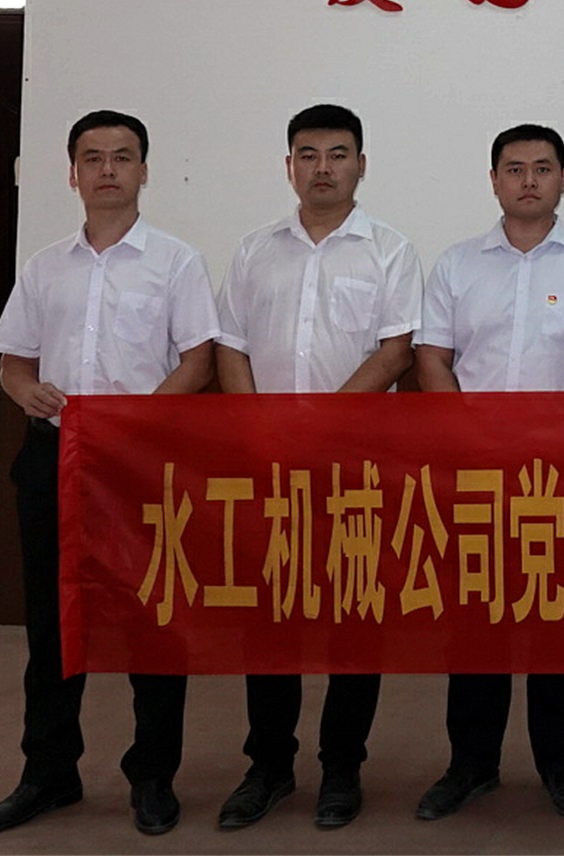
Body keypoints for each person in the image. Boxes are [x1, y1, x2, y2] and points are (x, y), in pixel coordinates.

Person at [0, 111, 220, 839]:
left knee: (153, 621)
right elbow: (15, 361)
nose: (108, 169)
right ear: (72, 173)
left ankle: (153, 776)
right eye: (93, 157)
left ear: (144, 170)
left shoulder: (176, 262)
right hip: (57, 458)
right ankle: (48, 772)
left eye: (122, 156)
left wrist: (135, 421)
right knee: (53, 621)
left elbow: (198, 361)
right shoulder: (46, 265)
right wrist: (25, 391)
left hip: (142, 465)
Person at [209, 104, 419, 831]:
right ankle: (268, 765)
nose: (322, 168)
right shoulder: (254, 251)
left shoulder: (389, 250)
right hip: (268, 465)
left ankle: (341, 768)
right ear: (289, 166)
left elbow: (395, 352)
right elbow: (229, 346)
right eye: (308, 154)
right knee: (270, 622)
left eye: (337, 154)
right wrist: (258, 430)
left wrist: (319, 428)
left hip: (355, 465)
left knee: (353, 622)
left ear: (361, 164)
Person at [411, 122, 564, 825]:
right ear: (494, 180)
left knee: (561, 621)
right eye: (514, 168)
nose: (529, 180)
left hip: (563, 472)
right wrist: (469, 436)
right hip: (475, 470)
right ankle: (470, 764)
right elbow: (432, 358)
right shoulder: (457, 264)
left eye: (542, 168)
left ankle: (562, 765)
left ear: (563, 178)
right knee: (475, 623)